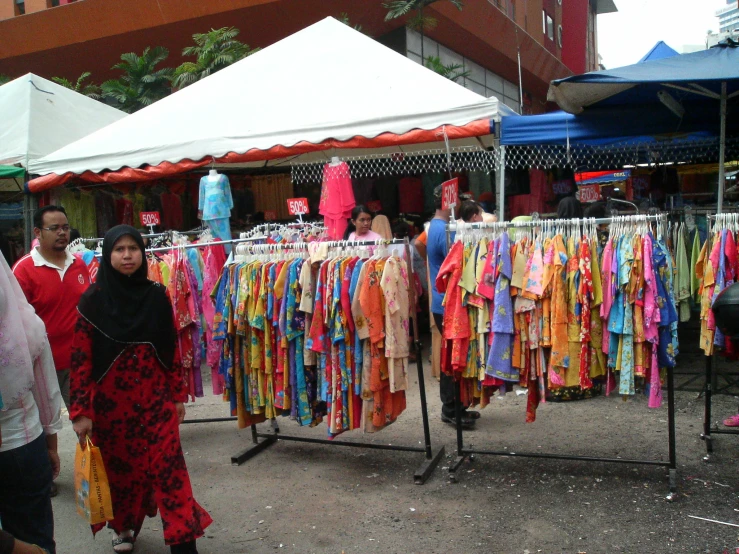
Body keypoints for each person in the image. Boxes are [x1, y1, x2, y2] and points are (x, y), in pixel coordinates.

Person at [70, 225, 212, 554]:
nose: (127, 255)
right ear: (108, 256)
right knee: (123, 470)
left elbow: (169, 348)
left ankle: (182, 538)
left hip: (156, 401)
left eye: (133, 248)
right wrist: (80, 412)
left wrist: (178, 395)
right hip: (112, 407)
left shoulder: (157, 295)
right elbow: (79, 361)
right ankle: (124, 526)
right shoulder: (92, 302)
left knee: (169, 468)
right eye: (119, 250)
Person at [0, 255, 62, 554]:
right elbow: (46, 389)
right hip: (23, 443)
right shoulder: (25, 324)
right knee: (35, 538)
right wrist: (51, 444)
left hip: (21, 444)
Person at [13, 206, 91, 411]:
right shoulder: (23, 270)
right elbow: (15, 322)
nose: (62, 233)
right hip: (41, 364)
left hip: (78, 361)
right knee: (46, 426)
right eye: (54, 228)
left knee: (86, 420)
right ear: (38, 232)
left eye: (65, 227)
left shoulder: (80, 265)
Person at [427, 186, 478, 428]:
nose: (458, 202)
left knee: (455, 353)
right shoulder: (441, 230)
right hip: (446, 303)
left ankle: (457, 405)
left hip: (445, 301)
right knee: (451, 355)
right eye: (455, 198)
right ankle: (451, 408)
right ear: (447, 201)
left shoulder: (438, 227)